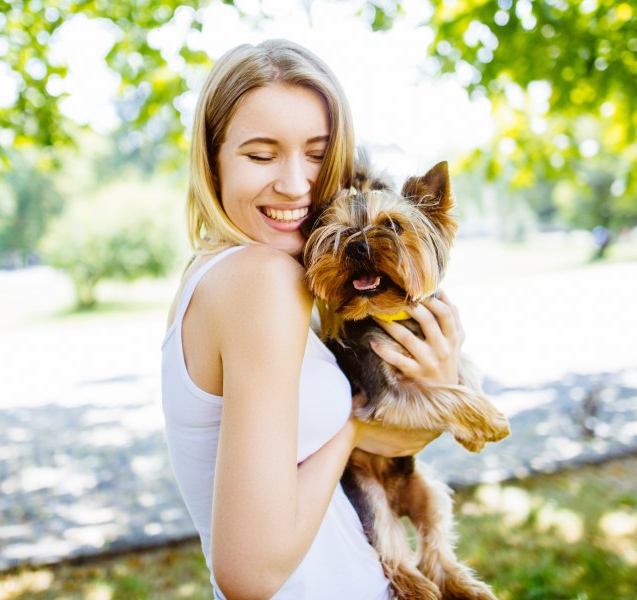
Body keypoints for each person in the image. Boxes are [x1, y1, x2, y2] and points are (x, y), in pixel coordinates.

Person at [162, 39, 467, 600]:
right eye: (260, 155)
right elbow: (249, 576)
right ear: (212, 161)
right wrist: (357, 426)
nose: (297, 184)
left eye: (319, 154)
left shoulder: (221, 273)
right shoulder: (262, 280)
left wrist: (430, 385)